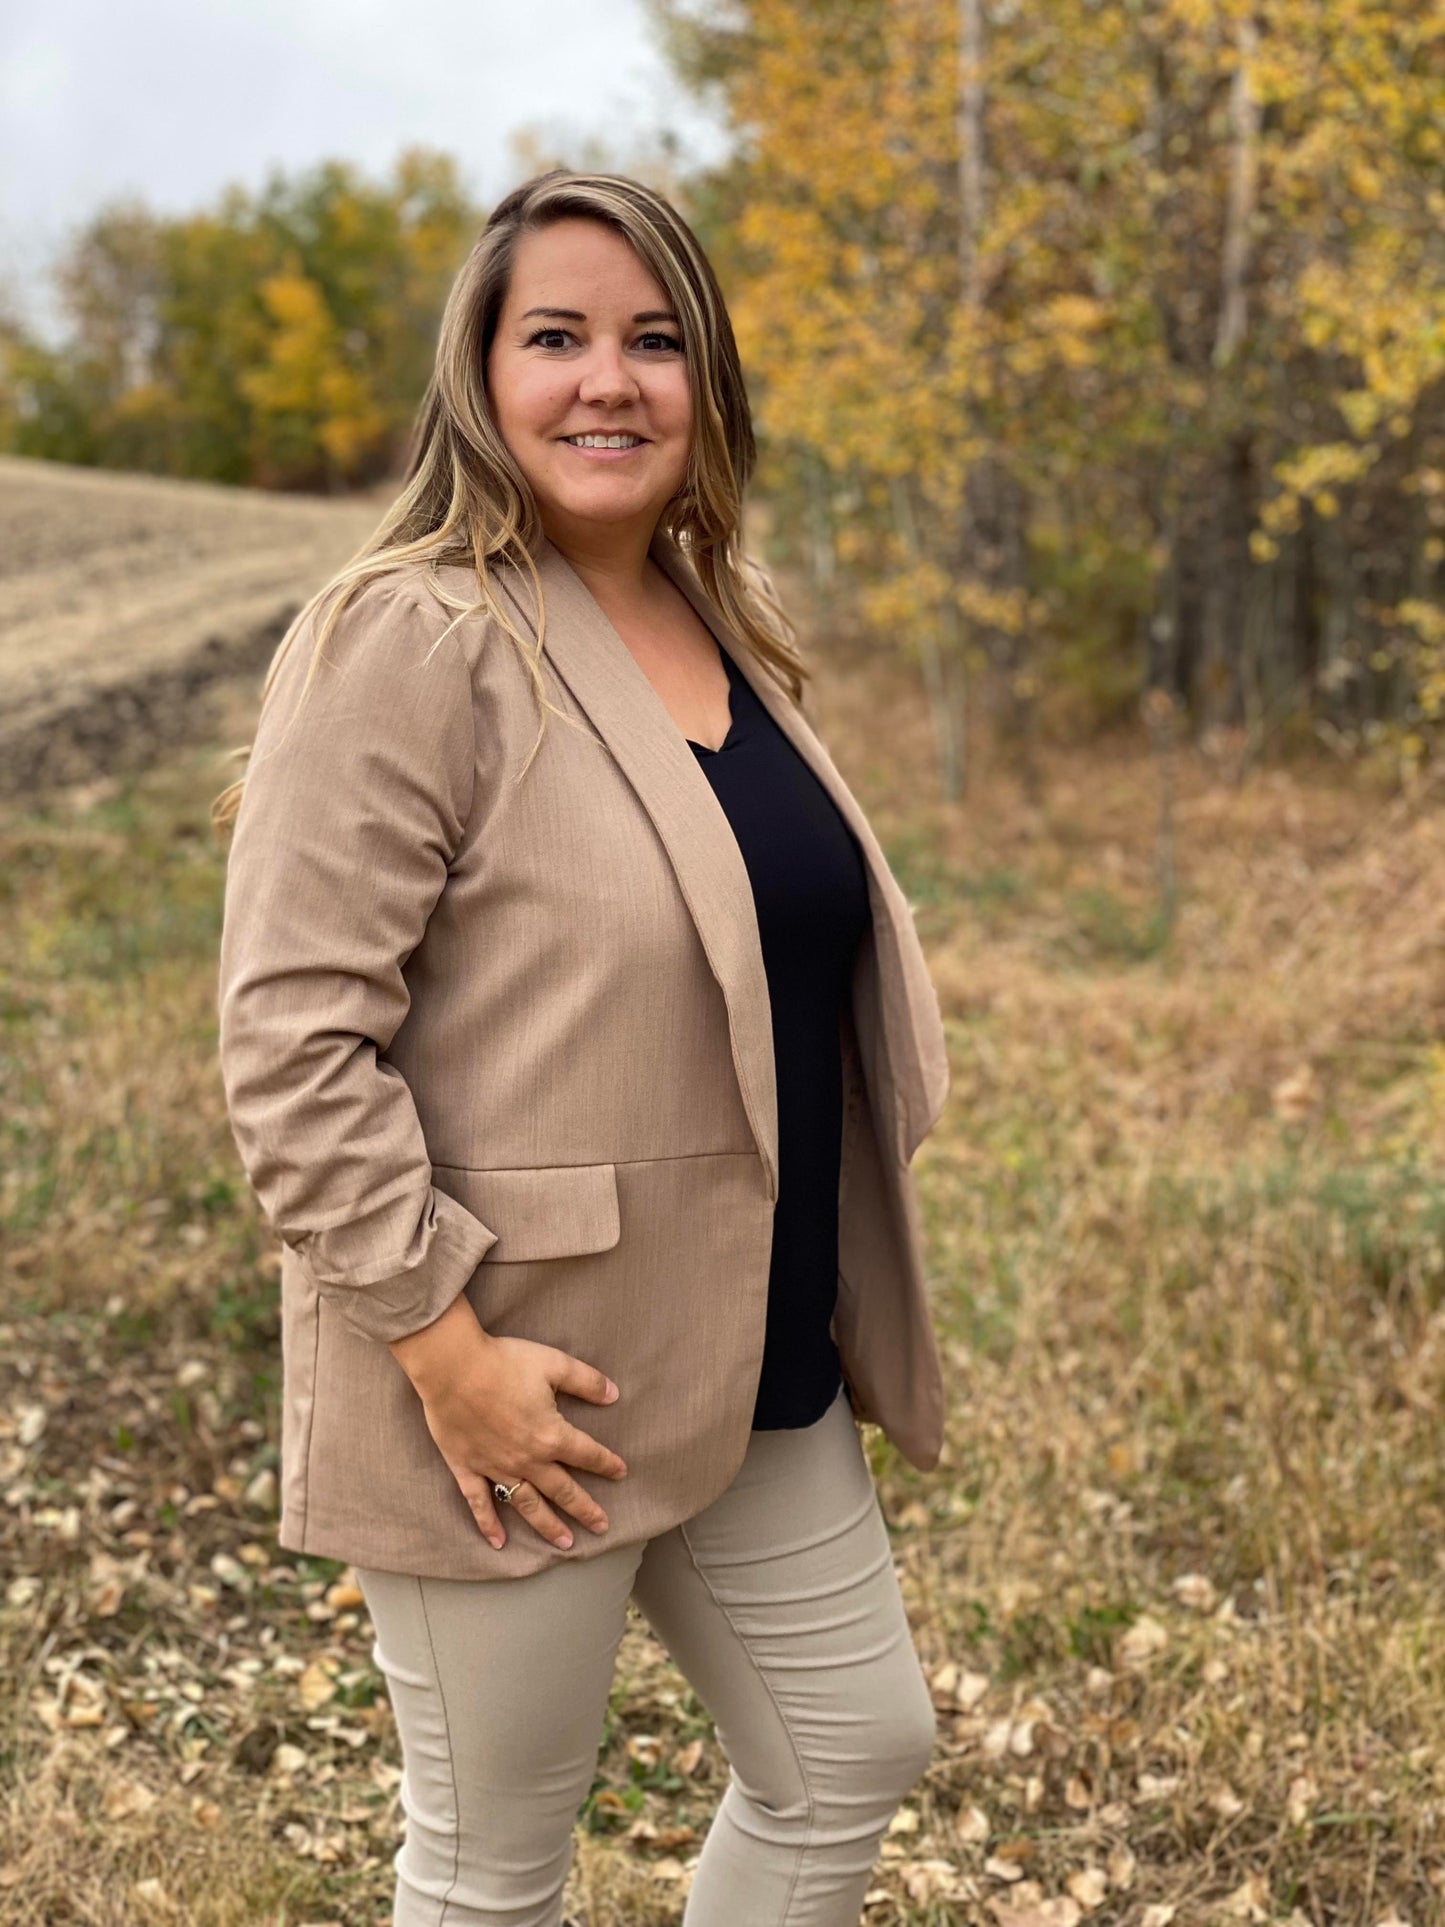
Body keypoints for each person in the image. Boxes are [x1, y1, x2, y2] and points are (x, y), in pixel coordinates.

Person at [213, 169, 952, 1927]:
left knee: (850, 1749)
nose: (605, 380)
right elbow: (292, 1039)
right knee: (493, 1872)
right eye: (555, 337)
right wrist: (438, 1342)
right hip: (521, 1379)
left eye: (654, 339)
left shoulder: (722, 623)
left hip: (755, 1350)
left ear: (710, 384)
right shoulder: (415, 632)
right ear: (483, 370)